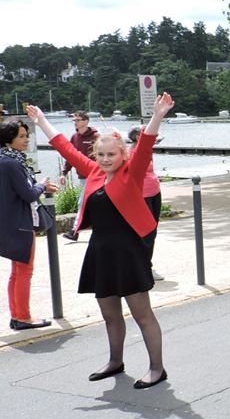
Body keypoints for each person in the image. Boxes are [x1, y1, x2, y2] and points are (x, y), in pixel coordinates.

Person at [29, 95, 175, 389]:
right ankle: (115, 361)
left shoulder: (132, 173)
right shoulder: (94, 172)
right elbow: (65, 148)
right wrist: (42, 121)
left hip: (129, 251)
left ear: (123, 155)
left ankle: (157, 369)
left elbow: (145, 144)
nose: (106, 159)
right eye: (102, 155)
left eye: (112, 155)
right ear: (96, 156)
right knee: (109, 313)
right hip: (100, 250)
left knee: (141, 314)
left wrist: (157, 115)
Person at [0, 119, 57, 330]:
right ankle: (23, 317)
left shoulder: (4, 160)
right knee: (24, 271)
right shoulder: (13, 163)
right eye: (21, 136)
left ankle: (17, 316)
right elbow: (27, 194)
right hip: (20, 223)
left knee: (17, 271)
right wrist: (42, 186)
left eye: (27, 135)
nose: (26, 140)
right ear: (9, 139)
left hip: (8, 223)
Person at [127, 127, 164, 281]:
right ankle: (142, 266)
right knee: (145, 231)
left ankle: (146, 264)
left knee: (153, 230)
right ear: (136, 136)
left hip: (155, 191)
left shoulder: (147, 148)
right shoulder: (131, 152)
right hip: (142, 195)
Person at [60, 111, 98, 241]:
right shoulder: (74, 138)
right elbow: (71, 157)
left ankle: (74, 231)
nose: (75, 122)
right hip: (82, 176)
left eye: (78, 120)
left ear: (86, 121)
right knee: (90, 202)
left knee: (82, 201)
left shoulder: (96, 136)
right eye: (74, 120)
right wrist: (64, 173)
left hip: (96, 174)